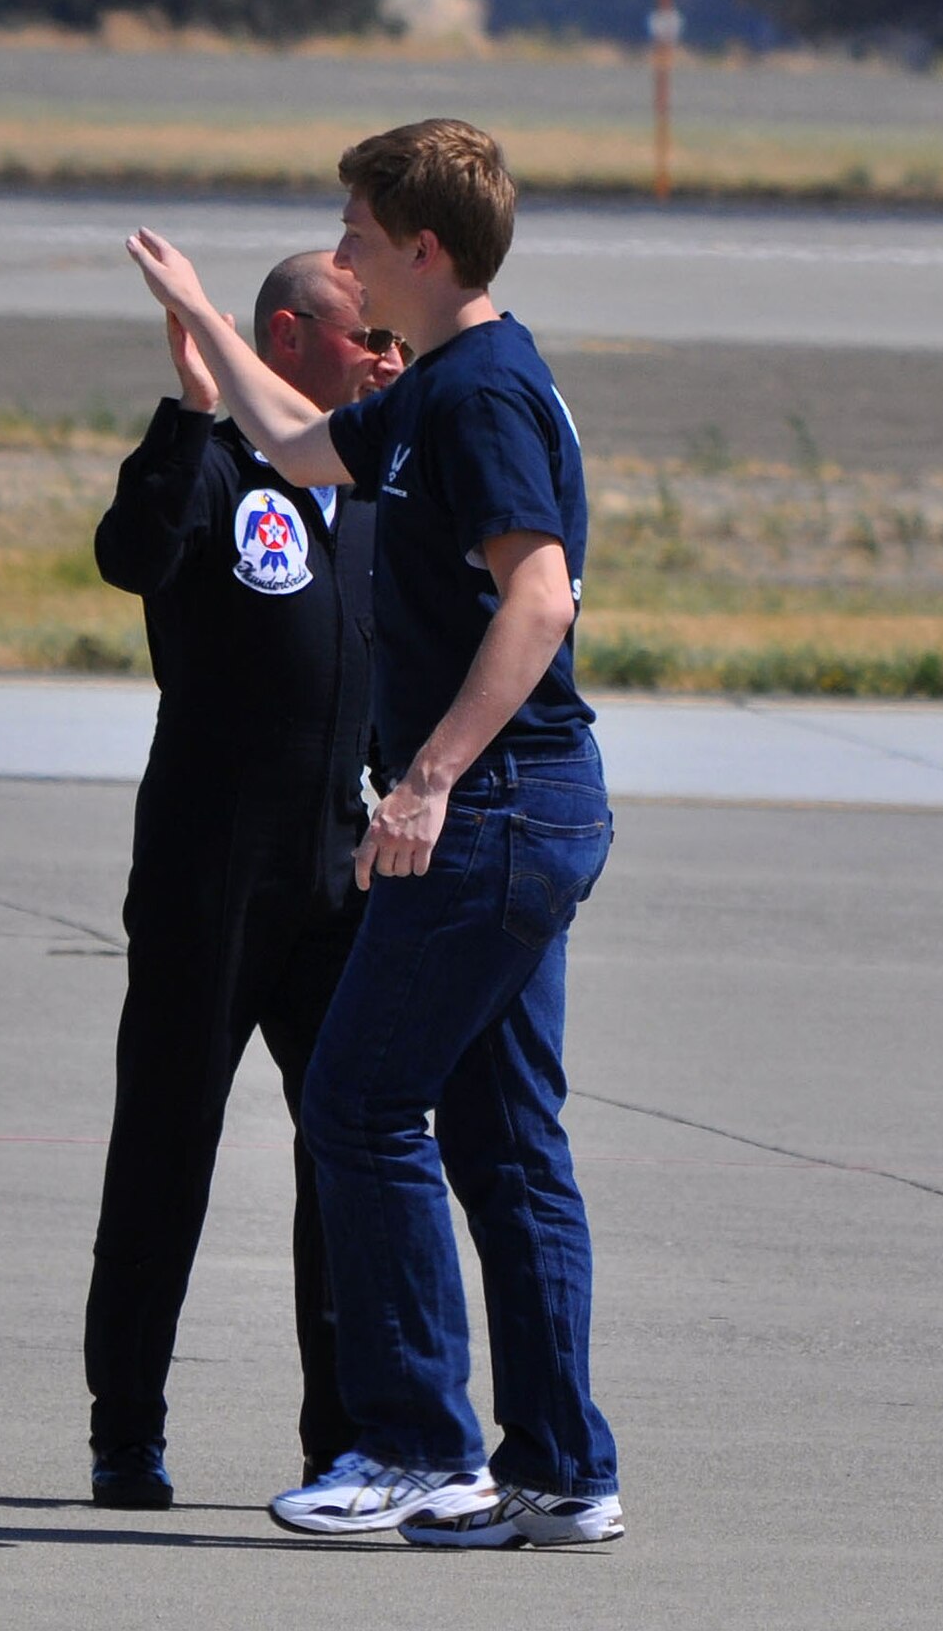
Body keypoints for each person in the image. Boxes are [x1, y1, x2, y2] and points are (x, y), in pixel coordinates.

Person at [124, 118, 622, 1549]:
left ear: (419, 248)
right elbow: (295, 440)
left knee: (355, 1106)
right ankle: (557, 1472)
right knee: (505, 1143)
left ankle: (415, 1447)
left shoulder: (478, 398)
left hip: (497, 807)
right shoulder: (444, 386)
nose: (338, 250)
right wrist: (207, 318)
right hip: (523, 806)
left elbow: (540, 599)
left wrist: (426, 782)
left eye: (351, 229)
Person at [85, 249, 408, 1510]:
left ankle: (342, 1437)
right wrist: (192, 410)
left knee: (347, 1151)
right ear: (286, 336)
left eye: (394, 343)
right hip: (209, 869)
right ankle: (127, 1427)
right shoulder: (212, 463)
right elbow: (130, 555)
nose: (388, 358)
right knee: (166, 1145)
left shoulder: (371, 478)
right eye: (365, 338)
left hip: (337, 871)